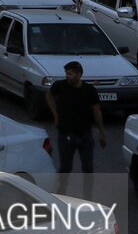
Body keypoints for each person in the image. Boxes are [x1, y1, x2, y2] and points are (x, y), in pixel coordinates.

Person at [46, 61, 107, 196]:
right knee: (65, 167)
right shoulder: (60, 86)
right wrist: (55, 114)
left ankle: (87, 196)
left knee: (88, 168)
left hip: (85, 135)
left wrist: (102, 133)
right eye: (67, 73)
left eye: (70, 74)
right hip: (66, 135)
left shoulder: (89, 91)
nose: (67, 76)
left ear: (79, 75)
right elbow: (49, 95)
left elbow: (96, 111)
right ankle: (61, 192)